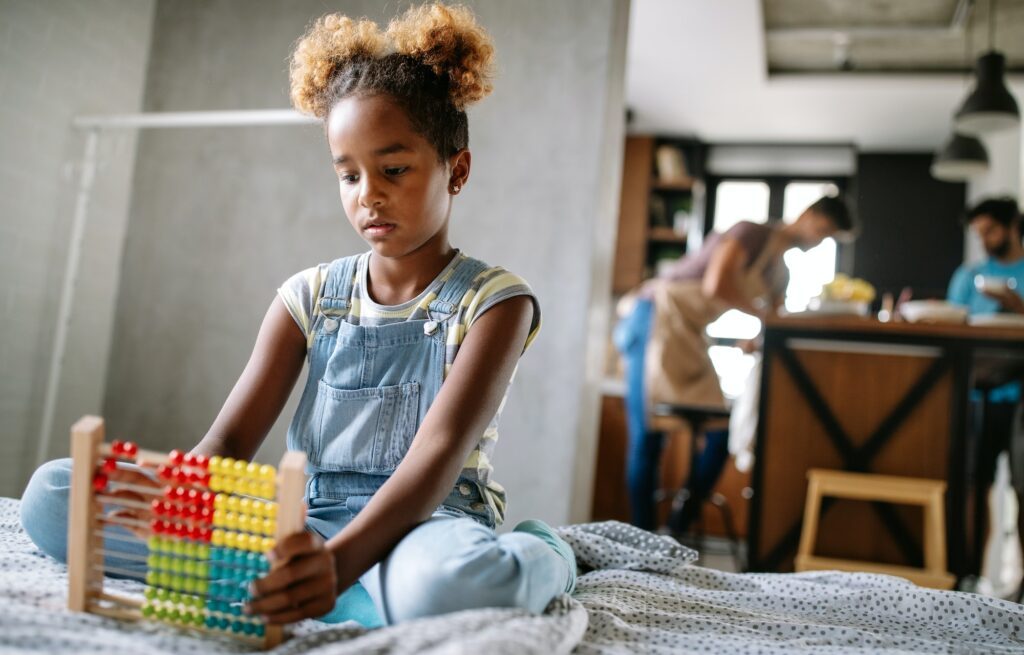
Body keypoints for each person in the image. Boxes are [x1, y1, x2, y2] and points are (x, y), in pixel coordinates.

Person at [19, 3, 576, 628]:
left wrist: (339, 563)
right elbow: (228, 443)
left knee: (448, 585)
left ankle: (546, 551)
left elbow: (436, 456)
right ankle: (327, 592)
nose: (368, 193)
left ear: (458, 170)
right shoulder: (307, 296)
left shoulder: (496, 302)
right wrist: (170, 497)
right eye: (348, 174)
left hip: (425, 525)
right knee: (54, 495)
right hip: (304, 522)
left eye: (393, 169)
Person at [614, 196, 853, 533]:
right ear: (805, 214)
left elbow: (774, 319)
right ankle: (641, 539)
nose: (817, 242)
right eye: (821, 230)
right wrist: (761, 315)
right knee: (649, 436)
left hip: (691, 334)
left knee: (719, 432)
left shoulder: (780, 272)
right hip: (656, 316)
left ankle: (675, 531)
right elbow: (717, 284)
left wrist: (759, 336)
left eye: (826, 239)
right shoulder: (750, 233)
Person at [947, 197, 1024, 589]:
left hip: (1021, 400)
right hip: (976, 401)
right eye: (979, 233)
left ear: (1013, 226)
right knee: (974, 487)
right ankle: (969, 578)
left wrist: (1018, 307)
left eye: (991, 230)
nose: (985, 239)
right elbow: (952, 328)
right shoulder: (968, 277)